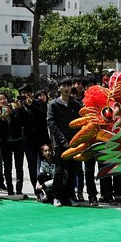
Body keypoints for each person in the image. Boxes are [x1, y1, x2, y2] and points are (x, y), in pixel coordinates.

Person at [47, 78, 83, 206]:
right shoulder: (53, 104)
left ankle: (70, 196)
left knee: (74, 170)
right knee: (59, 171)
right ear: (59, 88)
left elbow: (82, 121)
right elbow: (51, 123)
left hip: (74, 143)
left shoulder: (76, 104)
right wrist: (62, 140)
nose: (67, 88)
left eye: (69, 86)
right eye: (64, 86)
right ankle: (57, 196)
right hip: (60, 144)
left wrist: (76, 140)